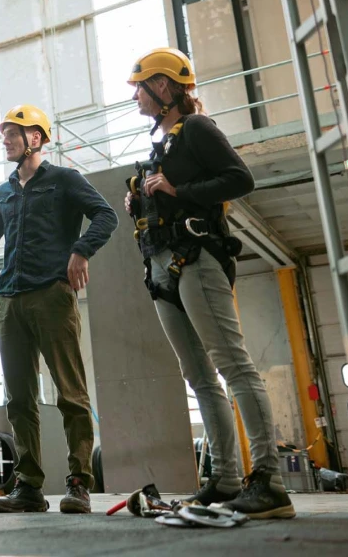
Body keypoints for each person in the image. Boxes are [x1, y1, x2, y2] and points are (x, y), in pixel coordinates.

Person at [123, 47, 295, 519]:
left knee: (232, 365)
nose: (135, 95)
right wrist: (142, 202)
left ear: (163, 87)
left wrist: (180, 192)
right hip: (161, 268)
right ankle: (223, 478)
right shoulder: (164, 142)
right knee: (199, 377)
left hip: (197, 258)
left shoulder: (197, 128)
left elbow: (239, 179)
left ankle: (270, 482)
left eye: (140, 86)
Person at [0, 104, 118, 515]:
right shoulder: (3, 192)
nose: (5, 141)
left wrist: (81, 251)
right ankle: (29, 487)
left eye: (12, 134)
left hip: (52, 297)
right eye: (4, 135)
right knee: (19, 399)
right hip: (10, 301)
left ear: (35, 138)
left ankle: (79, 483)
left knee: (71, 394)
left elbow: (106, 216)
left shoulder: (65, 180)